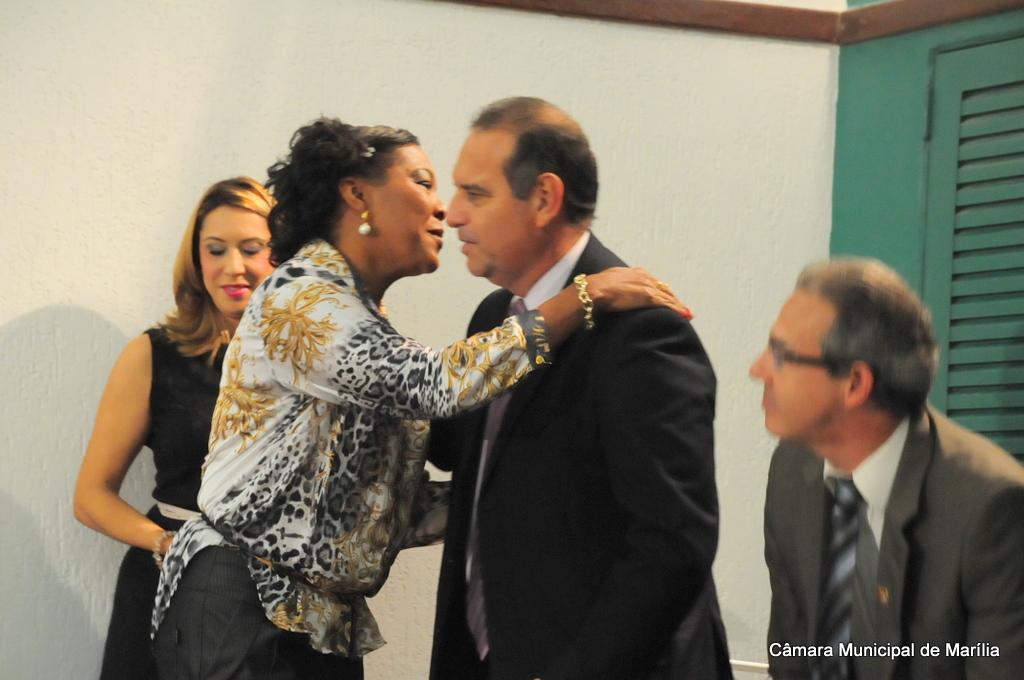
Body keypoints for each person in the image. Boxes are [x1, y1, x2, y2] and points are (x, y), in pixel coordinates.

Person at [150, 118, 685, 680]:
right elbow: (435, 384)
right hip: (245, 603)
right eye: (424, 183)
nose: (445, 209)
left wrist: (536, 497)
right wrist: (583, 296)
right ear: (357, 194)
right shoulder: (302, 298)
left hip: (312, 618)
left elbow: (377, 501)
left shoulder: (357, 314)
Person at [427, 97, 732, 680]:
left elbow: (673, 546)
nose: (454, 213)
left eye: (476, 193)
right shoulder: (494, 320)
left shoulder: (642, 334)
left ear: (545, 198)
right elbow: (451, 451)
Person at [752, 258, 1024, 680]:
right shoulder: (793, 468)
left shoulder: (990, 508)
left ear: (855, 384)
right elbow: (791, 659)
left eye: (782, 355)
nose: (758, 370)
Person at [73, 177, 276, 680]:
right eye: (216, 249)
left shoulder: (317, 359)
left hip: (286, 601)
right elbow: (91, 497)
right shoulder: (152, 355)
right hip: (174, 593)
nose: (233, 266)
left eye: (252, 249)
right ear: (195, 259)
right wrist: (173, 546)